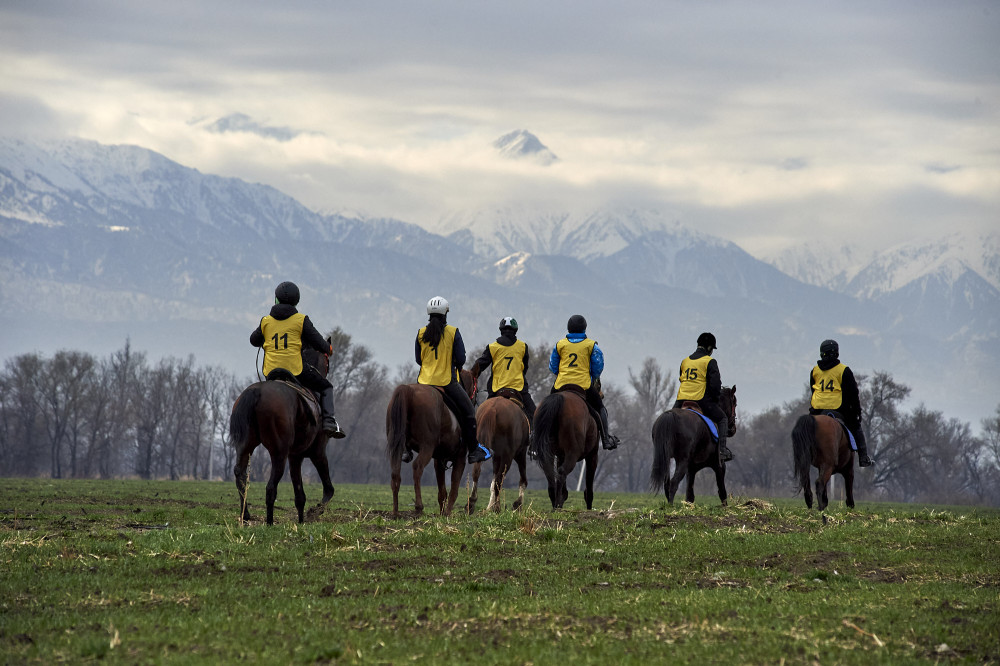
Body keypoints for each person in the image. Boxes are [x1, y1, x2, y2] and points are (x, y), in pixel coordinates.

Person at [250, 281, 345, 439]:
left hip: (270, 372)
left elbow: (254, 340)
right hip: (296, 371)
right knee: (326, 387)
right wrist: (329, 349)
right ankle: (329, 422)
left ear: (276, 300)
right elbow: (320, 344)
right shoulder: (301, 320)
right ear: (296, 301)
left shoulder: (266, 321)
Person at [412, 296, 492, 465]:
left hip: (423, 382)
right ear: (445, 314)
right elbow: (461, 359)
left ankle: (406, 447)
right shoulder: (453, 332)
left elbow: (419, 360)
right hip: (446, 381)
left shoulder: (420, 333)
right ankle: (473, 450)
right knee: (469, 412)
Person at [548, 314, 620, 450]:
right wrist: (592, 377)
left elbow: (552, 366)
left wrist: (563, 374)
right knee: (600, 408)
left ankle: (538, 439)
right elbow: (598, 367)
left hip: (561, 384)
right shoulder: (591, 345)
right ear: (584, 329)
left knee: (546, 407)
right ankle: (606, 439)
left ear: (568, 328)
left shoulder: (560, 345)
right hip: (583, 385)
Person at [808, 339, 873, 467]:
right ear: (836, 353)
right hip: (838, 408)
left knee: (806, 429)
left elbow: (813, 390)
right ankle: (863, 457)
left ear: (822, 353)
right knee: (855, 426)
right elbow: (853, 394)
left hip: (817, 410)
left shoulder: (815, 371)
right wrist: (857, 412)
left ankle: (803, 454)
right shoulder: (843, 370)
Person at [673, 332, 732, 463]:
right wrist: (714, 400)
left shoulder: (685, 361)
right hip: (700, 399)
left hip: (681, 399)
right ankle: (722, 451)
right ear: (710, 348)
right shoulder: (710, 361)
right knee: (722, 419)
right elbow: (715, 385)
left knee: (669, 420)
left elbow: (682, 379)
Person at [470, 316, 536, 422]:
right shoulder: (523, 347)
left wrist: (472, 377)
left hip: (497, 389)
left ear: (501, 331)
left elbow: (479, 366)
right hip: (518, 389)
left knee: (481, 416)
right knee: (535, 416)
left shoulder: (492, 347)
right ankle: (533, 436)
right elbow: (524, 368)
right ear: (515, 331)